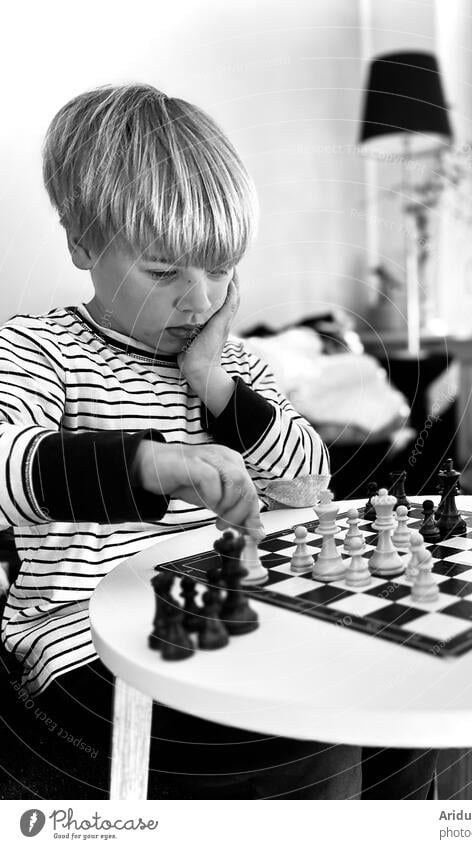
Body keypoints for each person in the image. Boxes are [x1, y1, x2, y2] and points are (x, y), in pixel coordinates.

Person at [0, 83, 436, 799]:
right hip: (89, 651)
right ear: (81, 241)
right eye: (164, 271)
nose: (198, 300)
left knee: (402, 704)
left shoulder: (233, 367)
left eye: (221, 269)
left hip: (232, 627)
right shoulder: (38, 352)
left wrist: (213, 383)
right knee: (293, 751)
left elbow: (307, 476)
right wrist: (149, 463)